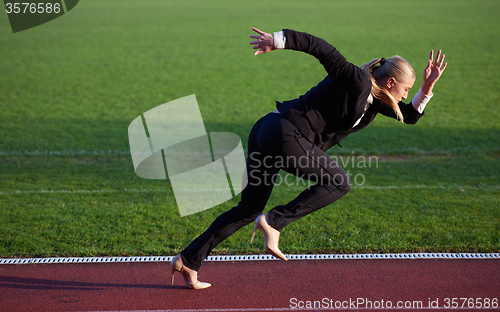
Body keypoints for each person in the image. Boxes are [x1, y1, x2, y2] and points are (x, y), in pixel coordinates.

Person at [170, 27, 447, 289]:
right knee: (339, 182)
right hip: (285, 134)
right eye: (406, 89)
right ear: (391, 82)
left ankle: (189, 260)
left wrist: (427, 85)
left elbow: (409, 116)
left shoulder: (375, 100)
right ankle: (274, 222)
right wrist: (277, 40)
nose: (405, 95)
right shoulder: (357, 80)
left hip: (267, 130)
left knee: (248, 209)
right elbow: (321, 48)